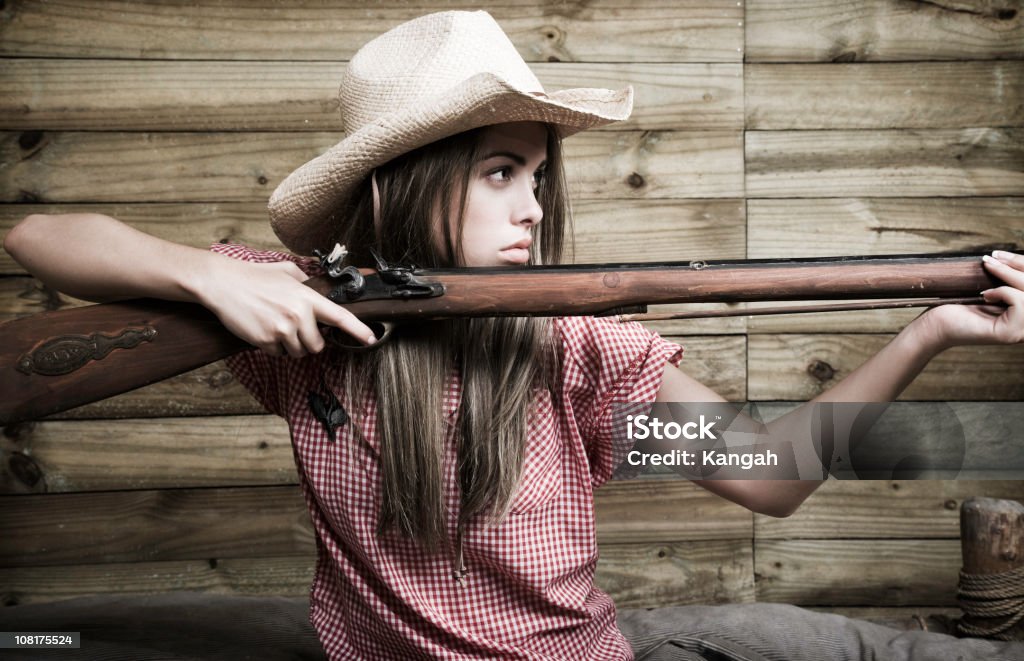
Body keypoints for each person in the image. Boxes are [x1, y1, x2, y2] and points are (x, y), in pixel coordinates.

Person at [4, 10, 1023, 661]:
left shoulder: (573, 345)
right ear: (410, 180)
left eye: (536, 177)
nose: (532, 206)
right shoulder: (299, 316)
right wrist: (202, 273)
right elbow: (39, 233)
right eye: (499, 172)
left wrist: (930, 329)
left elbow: (773, 474)